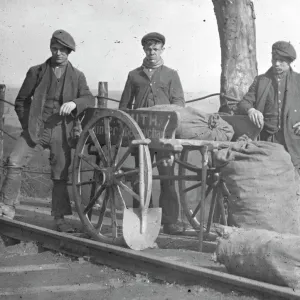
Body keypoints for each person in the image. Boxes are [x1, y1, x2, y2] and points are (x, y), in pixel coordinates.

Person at [0, 29, 95, 232]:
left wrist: (74, 103)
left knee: (60, 174)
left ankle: (59, 218)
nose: (58, 53)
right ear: (50, 48)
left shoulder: (78, 76)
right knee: (14, 161)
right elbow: (21, 101)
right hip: (36, 128)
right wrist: (28, 125)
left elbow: (89, 99)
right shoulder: (36, 72)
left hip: (62, 131)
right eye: (55, 48)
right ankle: (7, 207)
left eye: (63, 50)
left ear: (69, 52)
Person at [119, 32, 185, 234]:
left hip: (164, 136)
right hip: (140, 135)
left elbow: (179, 104)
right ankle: (142, 219)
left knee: (167, 176)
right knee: (141, 176)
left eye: (156, 49)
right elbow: (124, 107)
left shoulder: (171, 74)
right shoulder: (134, 75)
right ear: (144, 50)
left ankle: (170, 221)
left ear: (162, 50)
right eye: (148, 49)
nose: (152, 53)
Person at [237, 41, 300, 171]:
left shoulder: (298, 81)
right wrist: (251, 110)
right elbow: (244, 103)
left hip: (293, 142)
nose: (276, 63)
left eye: (281, 60)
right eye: (274, 59)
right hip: (266, 140)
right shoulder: (261, 81)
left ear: (289, 61)